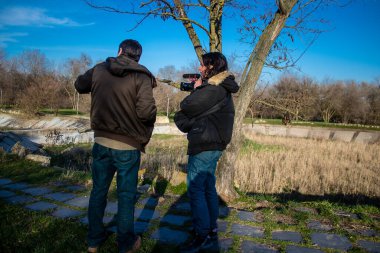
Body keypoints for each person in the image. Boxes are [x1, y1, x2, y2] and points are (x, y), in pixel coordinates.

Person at [75, 39, 157, 253]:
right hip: (128, 146)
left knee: (98, 191)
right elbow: (146, 112)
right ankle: (126, 244)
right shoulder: (142, 76)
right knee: (126, 196)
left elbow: (79, 85)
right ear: (138, 57)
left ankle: (93, 241)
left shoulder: (100, 69)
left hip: (101, 142)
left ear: (119, 51)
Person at [174, 52, 239, 253]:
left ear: (211, 67)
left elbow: (188, 105)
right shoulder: (220, 87)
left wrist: (195, 89)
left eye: (203, 65)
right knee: (208, 186)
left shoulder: (214, 89)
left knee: (196, 189)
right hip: (213, 143)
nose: (200, 68)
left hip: (205, 143)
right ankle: (210, 229)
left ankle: (201, 234)